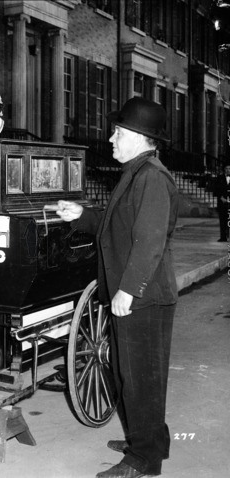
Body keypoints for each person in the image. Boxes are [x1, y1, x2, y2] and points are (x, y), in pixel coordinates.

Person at [55, 97, 179, 478]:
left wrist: (128, 290)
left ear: (141, 138)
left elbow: (149, 240)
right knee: (135, 372)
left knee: (139, 376)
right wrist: (83, 216)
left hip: (143, 296)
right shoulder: (136, 172)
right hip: (139, 293)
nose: (111, 138)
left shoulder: (152, 177)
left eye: (118, 132)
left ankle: (143, 459)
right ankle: (151, 440)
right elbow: (119, 224)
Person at [213, 163, 230, 242]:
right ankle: (223, 237)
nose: (228, 170)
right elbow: (215, 189)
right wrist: (221, 197)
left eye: (229, 168)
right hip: (222, 202)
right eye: (226, 168)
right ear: (224, 169)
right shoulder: (219, 178)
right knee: (222, 221)